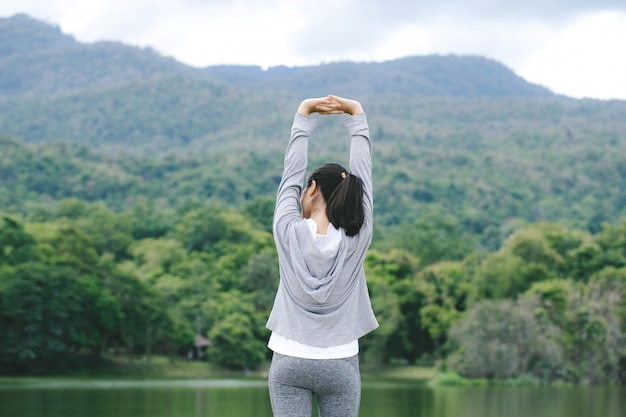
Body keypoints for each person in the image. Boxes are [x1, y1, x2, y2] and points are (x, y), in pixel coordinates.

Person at [266, 95, 379, 417]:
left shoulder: (287, 229)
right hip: (340, 362)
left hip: (289, 359)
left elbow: (290, 175)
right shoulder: (357, 238)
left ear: (311, 188)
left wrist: (304, 111)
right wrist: (355, 113)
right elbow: (364, 179)